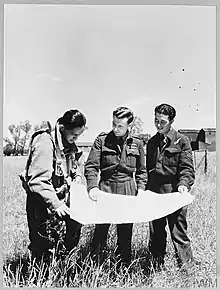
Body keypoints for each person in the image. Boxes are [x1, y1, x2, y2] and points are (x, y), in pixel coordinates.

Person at [19, 109, 86, 261]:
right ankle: (40, 280)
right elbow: (38, 180)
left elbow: (75, 170)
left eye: (79, 136)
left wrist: (76, 180)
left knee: (67, 245)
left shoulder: (68, 144)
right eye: (74, 135)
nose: (75, 139)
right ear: (62, 128)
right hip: (43, 205)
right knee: (43, 248)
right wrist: (56, 205)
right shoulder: (45, 142)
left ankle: (61, 276)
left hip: (63, 204)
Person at [84, 106, 147, 267]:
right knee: (100, 231)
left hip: (127, 189)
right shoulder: (102, 140)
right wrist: (92, 187)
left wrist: (140, 190)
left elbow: (141, 171)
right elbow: (91, 166)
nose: (115, 128)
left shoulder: (137, 143)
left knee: (125, 233)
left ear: (129, 126)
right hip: (106, 188)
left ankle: (123, 267)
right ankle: (94, 265)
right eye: (113, 124)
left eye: (120, 126)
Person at [146, 103, 198, 271]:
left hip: (175, 193)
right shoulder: (152, 142)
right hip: (155, 193)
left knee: (178, 232)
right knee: (156, 232)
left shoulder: (182, 141)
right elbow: (148, 170)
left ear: (171, 121)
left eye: (162, 121)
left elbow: (187, 169)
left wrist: (183, 185)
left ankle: (187, 269)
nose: (158, 125)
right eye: (156, 120)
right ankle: (156, 267)